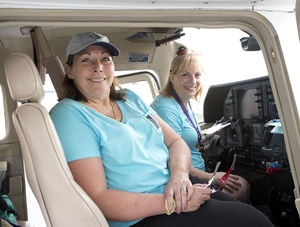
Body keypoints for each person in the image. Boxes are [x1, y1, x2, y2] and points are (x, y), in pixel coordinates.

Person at [50, 32, 273, 227]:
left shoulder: (131, 100)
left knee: (251, 214)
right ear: (70, 71)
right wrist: (174, 203)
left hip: (175, 191)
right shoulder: (69, 114)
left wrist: (179, 177)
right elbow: (99, 198)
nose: (98, 67)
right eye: (86, 60)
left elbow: (176, 143)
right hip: (142, 215)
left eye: (105, 59)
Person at [151, 47, 250, 202]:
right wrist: (211, 176)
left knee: (240, 180)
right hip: (184, 176)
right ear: (172, 77)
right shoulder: (165, 108)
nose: (193, 81)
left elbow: (186, 138)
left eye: (197, 75)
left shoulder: (184, 102)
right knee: (241, 186)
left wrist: (208, 136)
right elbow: (172, 158)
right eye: (185, 75)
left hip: (197, 170)